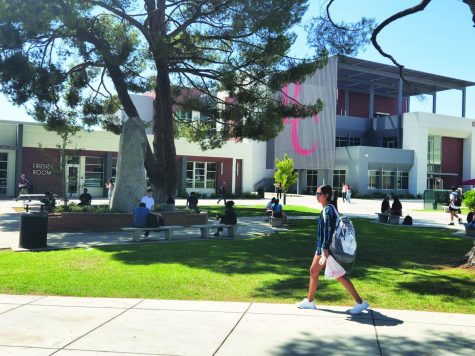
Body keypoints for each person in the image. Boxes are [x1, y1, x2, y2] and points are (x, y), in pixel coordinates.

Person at [296, 184, 369, 314]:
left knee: (333, 274)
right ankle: (310, 301)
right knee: (323, 273)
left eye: (319, 194)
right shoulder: (328, 209)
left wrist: (324, 247)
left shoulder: (328, 210)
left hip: (327, 248)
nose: (316, 196)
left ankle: (360, 302)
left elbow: (328, 230)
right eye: (316, 193)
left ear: (326, 196)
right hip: (326, 247)